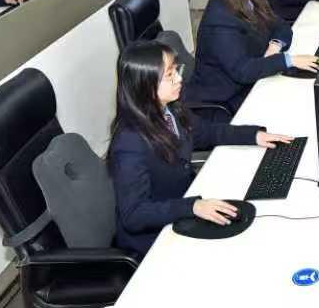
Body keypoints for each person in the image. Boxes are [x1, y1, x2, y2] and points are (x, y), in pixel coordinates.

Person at [106, 40, 293, 255]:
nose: (179, 78)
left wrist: (254, 135)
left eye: (176, 70)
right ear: (145, 85)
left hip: (183, 204)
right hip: (155, 239)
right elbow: (134, 215)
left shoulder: (169, 110)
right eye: (169, 75)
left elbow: (207, 132)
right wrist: (192, 207)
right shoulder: (129, 143)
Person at [188, 0, 319, 116]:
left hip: (256, 78)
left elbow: (280, 25)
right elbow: (244, 71)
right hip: (229, 100)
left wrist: (275, 45)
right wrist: (288, 60)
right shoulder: (219, 23)